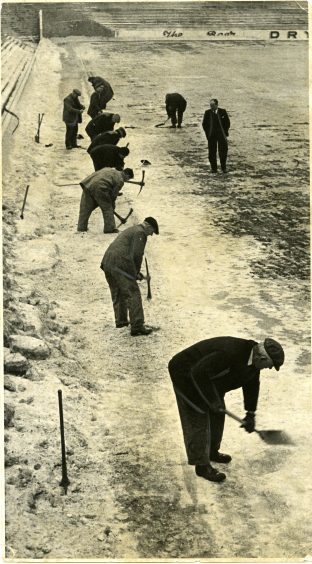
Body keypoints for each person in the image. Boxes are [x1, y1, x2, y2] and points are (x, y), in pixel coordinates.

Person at [168, 336, 285, 483]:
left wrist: (250, 413)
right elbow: (199, 372)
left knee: (217, 413)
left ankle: (211, 451)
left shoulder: (254, 362)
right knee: (198, 414)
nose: (268, 368)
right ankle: (201, 465)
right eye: (270, 365)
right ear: (262, 358)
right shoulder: (231, 352)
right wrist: (212, 400)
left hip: (210, 380)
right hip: (186, 371)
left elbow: (251, 385)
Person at [101, 218, 159, 336]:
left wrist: (136, 274)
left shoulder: (132, 229)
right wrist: (135, 273)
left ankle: (121, 322)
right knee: (133, 293)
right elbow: (136, 255)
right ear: (147, 225)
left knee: (118, 292)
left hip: (108, 262)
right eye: (152, 231)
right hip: (120, 263)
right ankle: (137, 326)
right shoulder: (140, 233)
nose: (151, 234)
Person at [77, 167, 133, 234]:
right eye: (128, 179)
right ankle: (110, 228)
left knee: (85, 208)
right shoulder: (120, 180)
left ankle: (81, 227)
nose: (126, 180)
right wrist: (112, 206)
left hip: (88, 184)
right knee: (107, 207)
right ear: (127, 175)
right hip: (101, 187)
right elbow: (113, 196)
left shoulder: (110, 169)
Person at [202, 98, 230, 173]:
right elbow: (204, 124)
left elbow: (227, 123)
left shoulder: (222, 111)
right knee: (211, 152)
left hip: (221, 135)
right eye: (210, 105)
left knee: (223, 151)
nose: (211, 107)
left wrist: (225, 132)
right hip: (212, 135)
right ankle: (214, 168)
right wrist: (208, 134)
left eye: (213, 105)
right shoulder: (207, 113)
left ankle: (223, 167)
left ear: (217, 105)